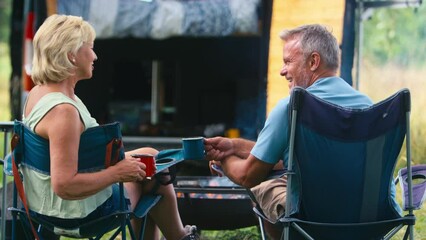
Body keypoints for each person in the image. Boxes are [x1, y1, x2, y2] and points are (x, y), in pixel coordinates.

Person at [204, 24, 402, 240]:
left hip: (310, 222)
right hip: (373, 221)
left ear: (313, 62)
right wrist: (234, 146)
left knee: (264, 185)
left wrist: (223, 160)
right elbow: (298, 157)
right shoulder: (370, 109)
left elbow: (248, 175)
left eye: (288, 61)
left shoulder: (292, 108)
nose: (282, 70)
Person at [23, 14, 198, 240]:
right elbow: (64, 185)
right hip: (78, 213)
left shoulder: (39, 93)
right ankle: (180, 237)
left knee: (150, 159)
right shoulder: (63, 112)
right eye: (90, 48)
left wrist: (125, 166)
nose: (95, 56)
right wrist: (116, 173)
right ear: (71, 56)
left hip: (44, 204)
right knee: (153, 176)